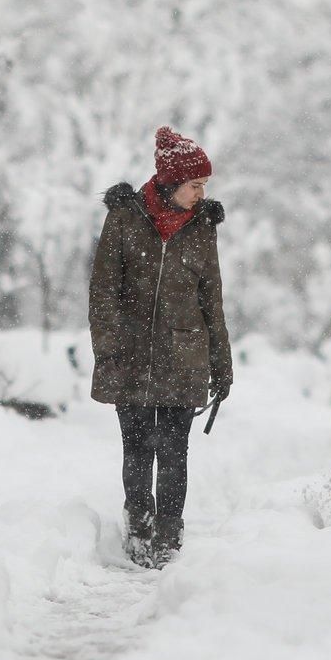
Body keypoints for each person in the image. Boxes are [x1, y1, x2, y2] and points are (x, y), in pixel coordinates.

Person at [88, 127, 232, 568]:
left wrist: (221, 365)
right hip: (130, 355)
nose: (200, 192)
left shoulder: (202, 228)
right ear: (172, 183)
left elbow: (212, 298)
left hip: (184, 356)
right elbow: (103, 290)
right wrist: (109, 346)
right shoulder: (125, 219)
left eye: (204, 185)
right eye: (195, 185)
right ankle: (139, 526)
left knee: (173, 449)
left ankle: (169, 534)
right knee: (137, 447)